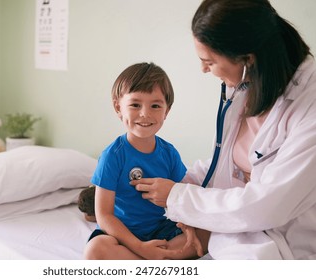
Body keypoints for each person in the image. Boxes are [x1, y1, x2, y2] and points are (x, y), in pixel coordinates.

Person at [131, 0, 316, 260]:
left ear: (247, 59)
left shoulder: (309, 108)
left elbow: (266, 204)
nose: (203, 69)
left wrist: (178, 196)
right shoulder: (249, 85)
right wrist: (182, 181)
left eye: (209, 61)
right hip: (239, 233)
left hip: (287, 244)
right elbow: (228, 161)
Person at [84, 62, 205, 260]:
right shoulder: (113, 156)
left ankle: (144, 261)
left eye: (155, 106)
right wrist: (140, 247)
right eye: (135, 105)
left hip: (160, 230)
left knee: (207, 233)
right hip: (121, 234)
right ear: (118, 107)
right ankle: (151, 259)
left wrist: (188, 226)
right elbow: (104, 215)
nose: (145, 114)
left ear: (167, 111)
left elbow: (181, 196)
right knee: (95, 251)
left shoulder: (169, 153)